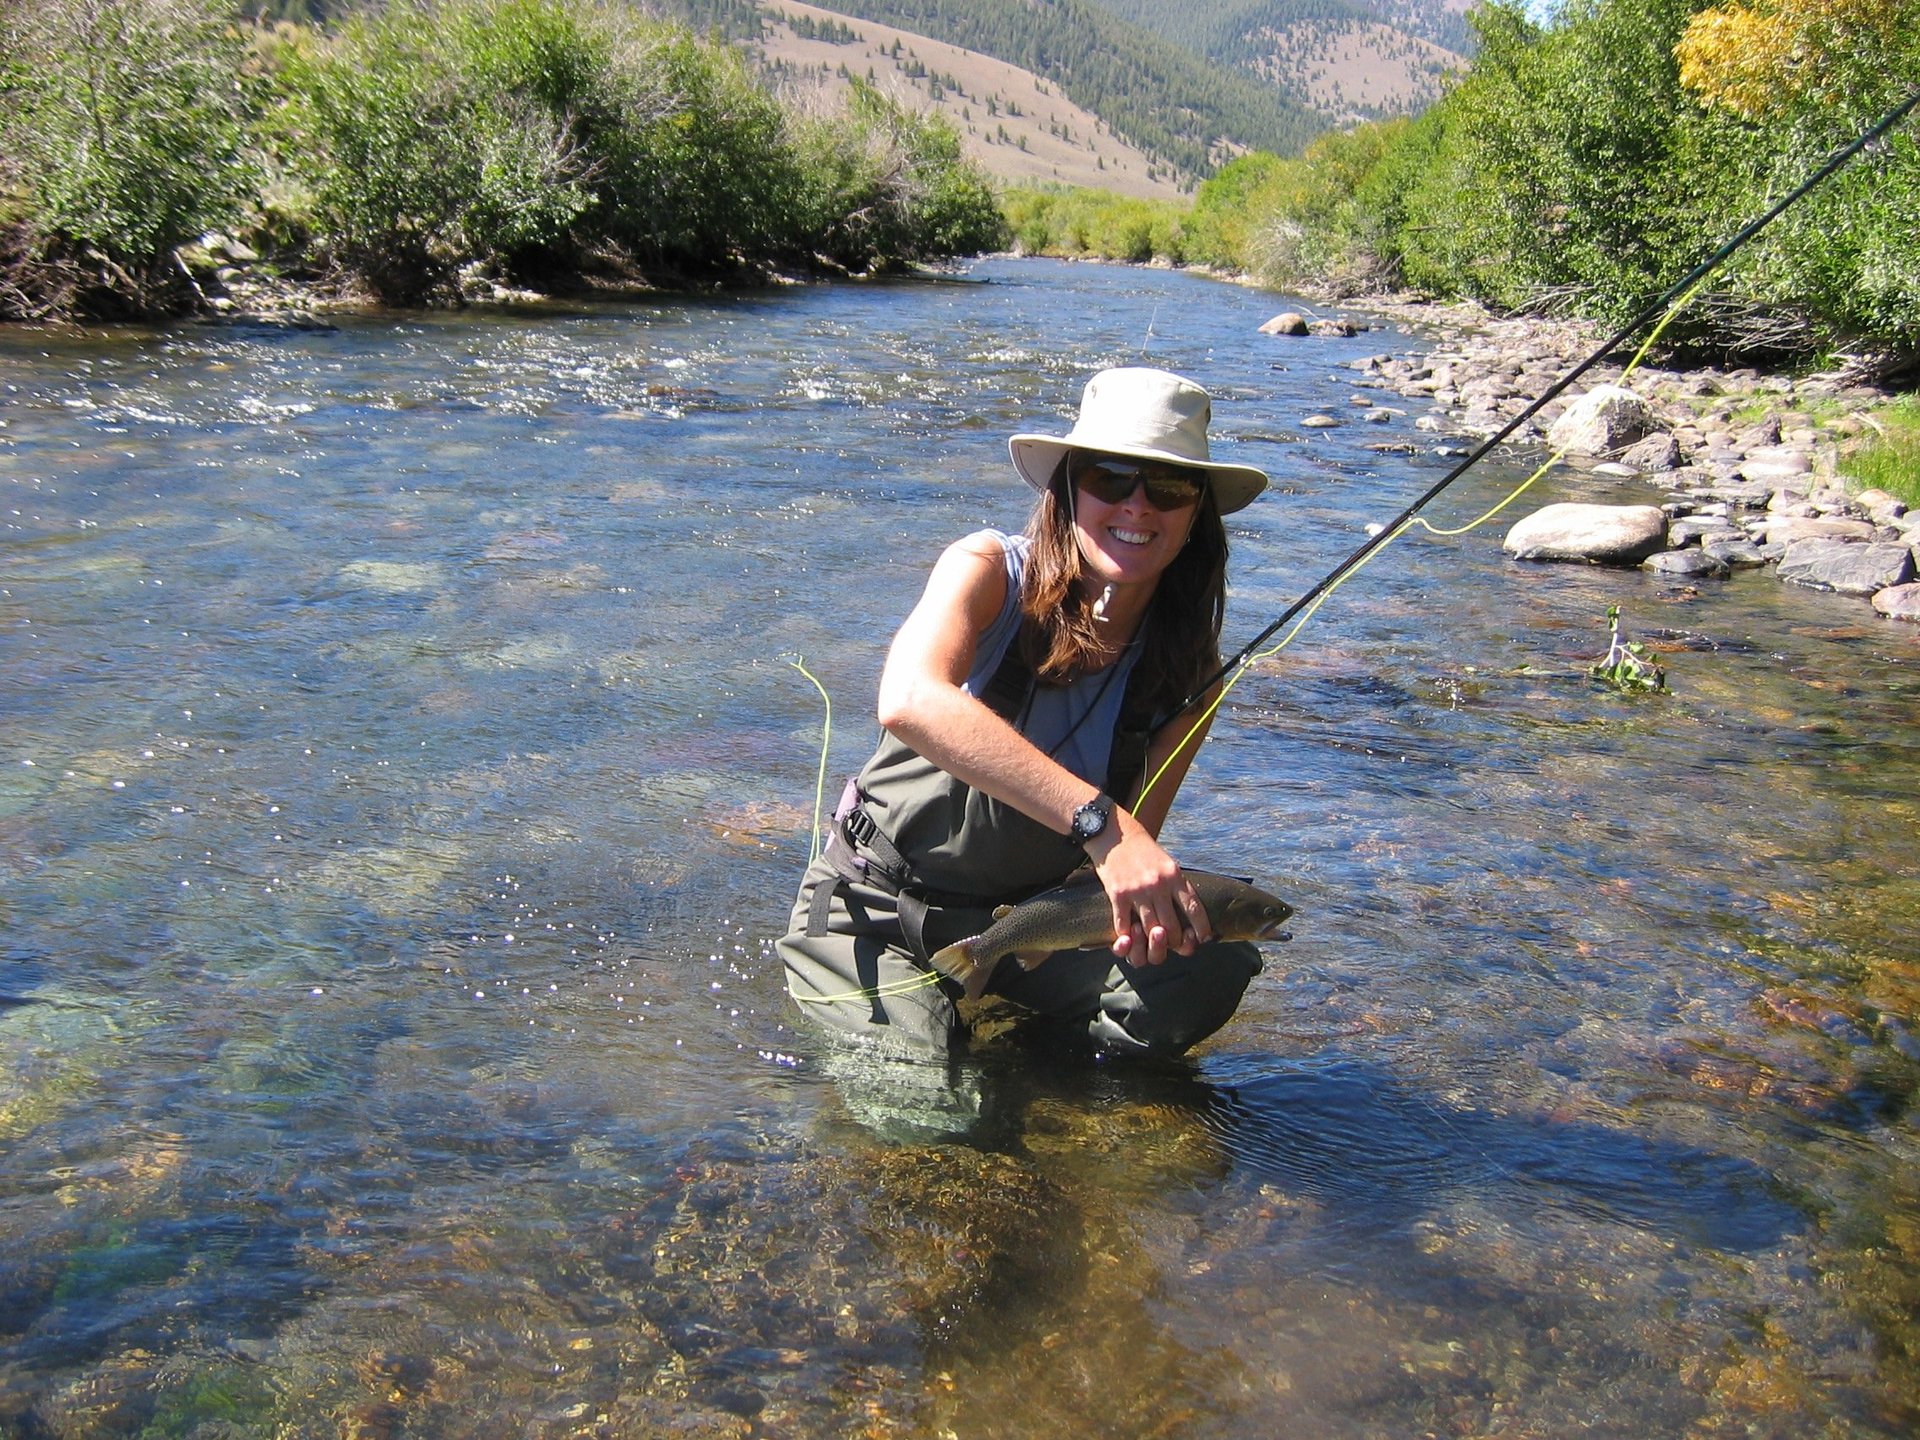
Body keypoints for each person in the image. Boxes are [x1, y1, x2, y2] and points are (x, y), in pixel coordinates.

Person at [779, 366, 1269, 1059]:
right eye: (1109, 478)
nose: (1137, 506)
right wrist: (1100, 821)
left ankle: (1042, 1064)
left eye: (1168, 487)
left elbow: (1116, 870)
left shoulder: (1190, 673)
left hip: (1028, 929)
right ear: (1067, 490)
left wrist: (1147, 915)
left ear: (1196, 515)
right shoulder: (986, 570)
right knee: (921, 1094)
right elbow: (910, 698)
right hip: (875, 910)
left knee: (1204, 968)